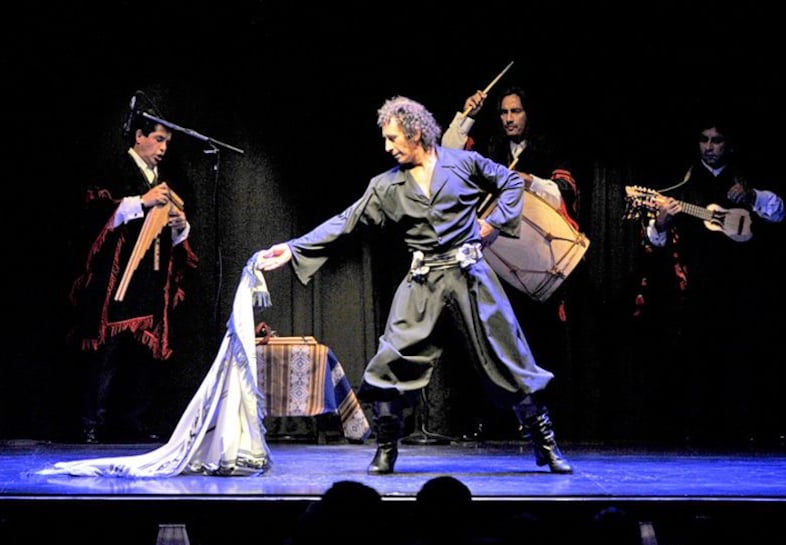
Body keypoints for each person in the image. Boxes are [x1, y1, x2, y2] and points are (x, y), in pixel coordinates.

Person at [257, 95, 572, 474]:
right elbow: (346, 221)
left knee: (512, 359)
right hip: (422, 281)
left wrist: (493, 225)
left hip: (471, 277)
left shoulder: (464, 164)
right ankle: (387, 448)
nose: (387, 146)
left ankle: (545, 445)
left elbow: (509, 183)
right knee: (389, 361)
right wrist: (293, 249)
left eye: (393, 138)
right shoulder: (386, 186)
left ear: (417, 133)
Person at [631, 111, 786, 446]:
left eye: (717, 140)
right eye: (704, 140)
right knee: (696, 361)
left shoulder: (744, 178)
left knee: (741, 360)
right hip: (697, 288)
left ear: (728, 144)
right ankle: (696, 431)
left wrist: (752, 197)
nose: (710, 147)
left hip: (742, 286)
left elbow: (780, 211)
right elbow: (654, 242)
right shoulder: (683, 184)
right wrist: (660, 221)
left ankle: (744, 430)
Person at [441, 85, 583, 441]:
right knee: (495, 344)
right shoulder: (490, 148)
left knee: (538, 345)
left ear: (527, 114)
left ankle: (545, 424)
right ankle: (496, 422)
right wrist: (466, 115)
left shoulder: (547, 148)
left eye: (515, 112)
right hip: (498, 264)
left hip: (536, 263)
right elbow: (448, 153)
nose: (508, 119)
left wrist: (529, 181)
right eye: (503, 113)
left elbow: (566, 190)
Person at [68, 95, 198, 444]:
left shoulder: (166, 180)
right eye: (158, 139)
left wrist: (178, 225)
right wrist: (142, 202)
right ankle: (91, 422)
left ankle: (134, 422)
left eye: (167, 143)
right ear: (139, 136)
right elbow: (93, 211)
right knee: (105, 356)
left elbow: (173, 241)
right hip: (114, 281)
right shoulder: (113, 169)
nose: (163, 148)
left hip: (149, 281)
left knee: (144, 359)